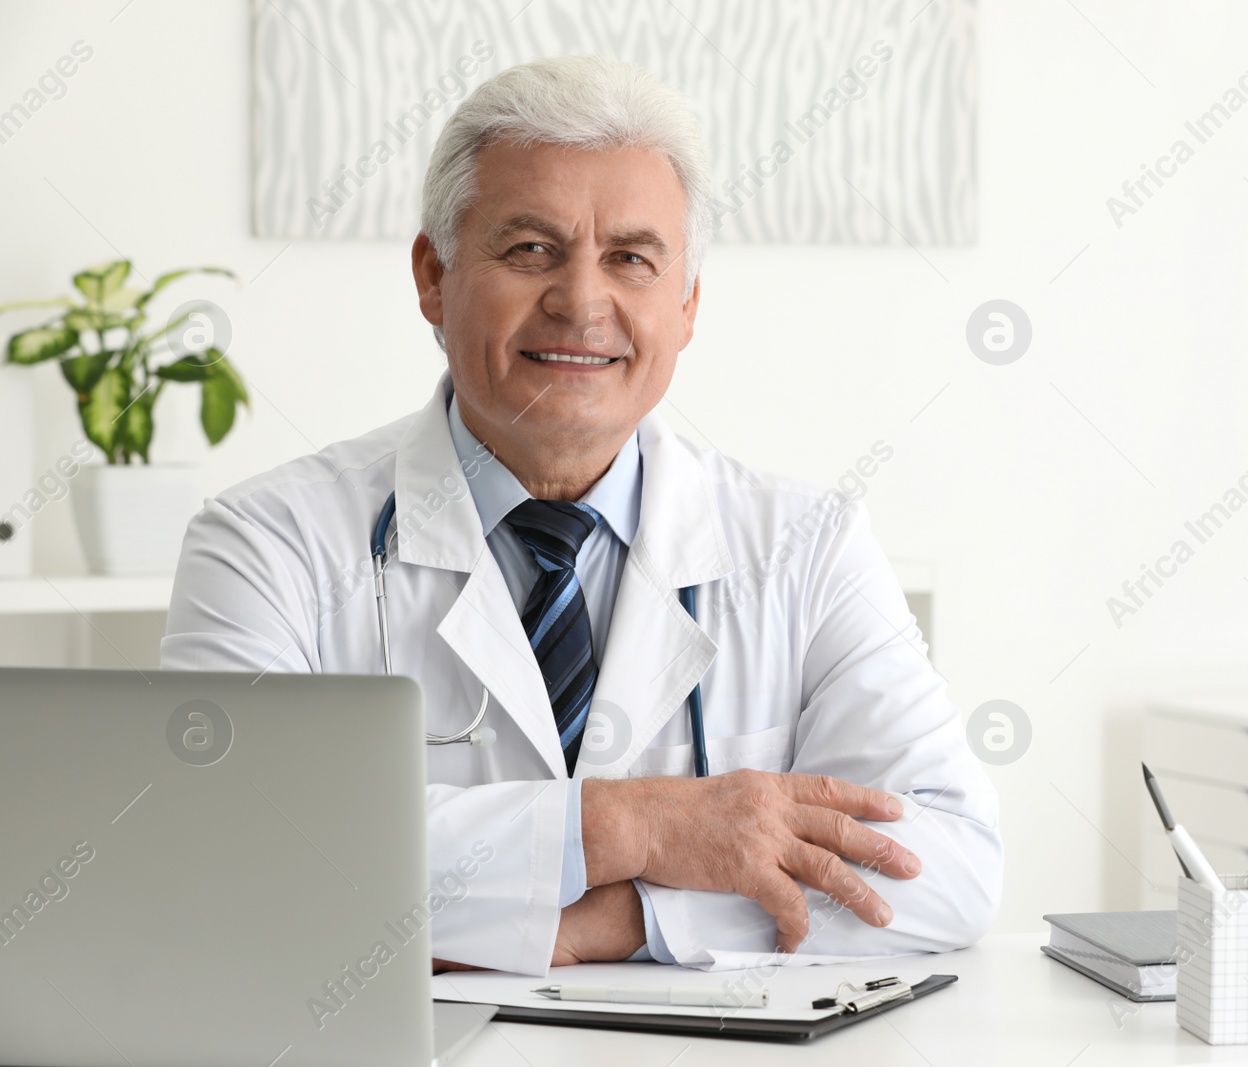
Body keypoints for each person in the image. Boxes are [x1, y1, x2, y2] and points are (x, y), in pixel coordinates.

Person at [162, 54, 1001, 976]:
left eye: (632, 259)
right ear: (433, 276)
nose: (582, 302)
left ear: (685, 305)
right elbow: (227, 853)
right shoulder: (266, 545)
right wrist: (629, 824)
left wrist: (622, 920)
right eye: (530, 249)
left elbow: (949, 866)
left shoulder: (808, 545)